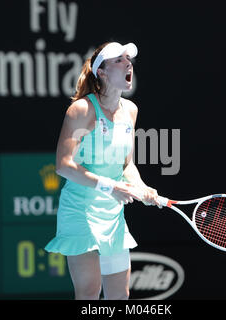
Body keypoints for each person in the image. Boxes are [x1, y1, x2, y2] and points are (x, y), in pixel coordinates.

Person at [44, 42, 160, 300]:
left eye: (128, 59)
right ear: (103, 72)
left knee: (120, 296)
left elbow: (126, 165)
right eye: (119, 60)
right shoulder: (81, 110)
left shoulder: (130, 111)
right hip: (80, 212)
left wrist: (141, 188)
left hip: (113, 215)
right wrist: (111, 187)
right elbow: (63, 165)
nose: (128, 63)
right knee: (89, 293)